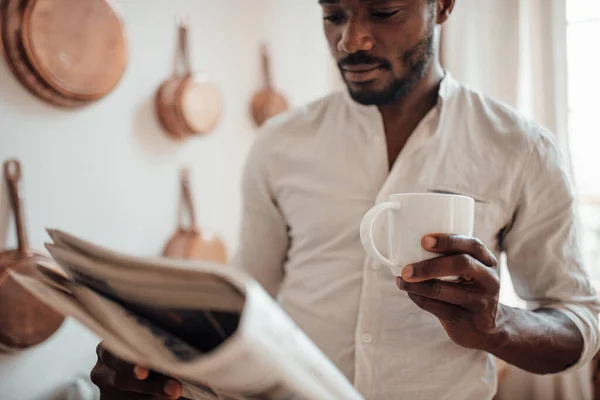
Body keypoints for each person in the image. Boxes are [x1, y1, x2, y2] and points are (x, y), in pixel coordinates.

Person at [90, 0, 600, 399]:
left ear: (442, 7)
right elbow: (249, 302)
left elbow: (580, 321)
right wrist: (156, 358)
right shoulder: (279, 143)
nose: (349, 40)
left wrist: (498, 326)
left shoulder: (522, 148)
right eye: (332, 15)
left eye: (383, 12)